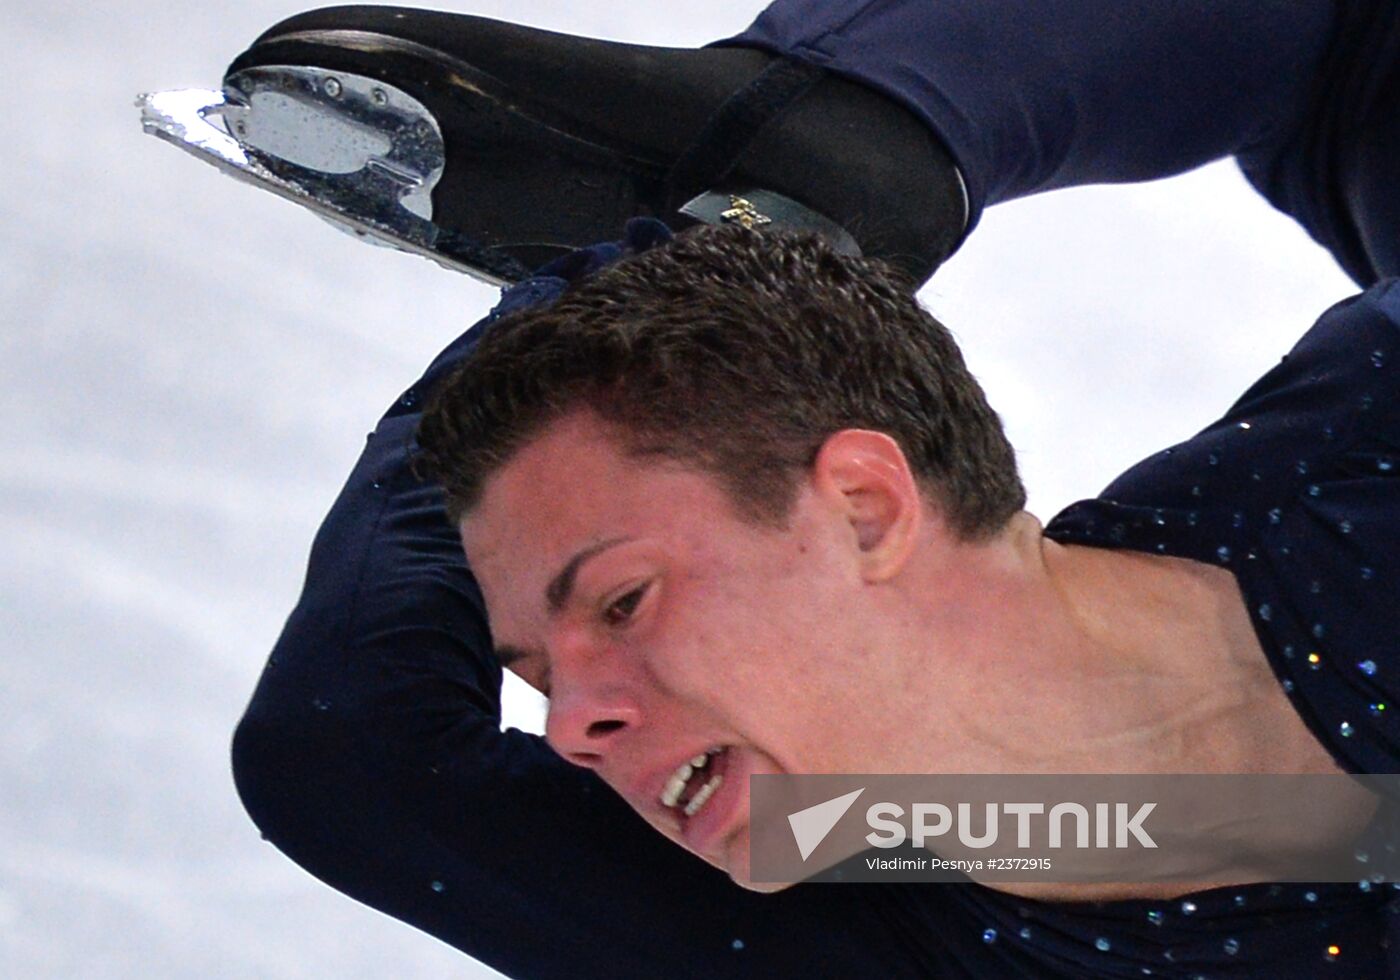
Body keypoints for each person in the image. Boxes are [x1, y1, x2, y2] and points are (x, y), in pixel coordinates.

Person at [229, 1, 1400, 976]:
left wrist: (626, 283)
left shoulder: (1361, 473)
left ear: (863, 505)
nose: (572, 726)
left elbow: (354, 763)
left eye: (622, 602)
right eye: (534, 670)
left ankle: (833, 145)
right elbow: (360, 763)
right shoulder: (856, 891)